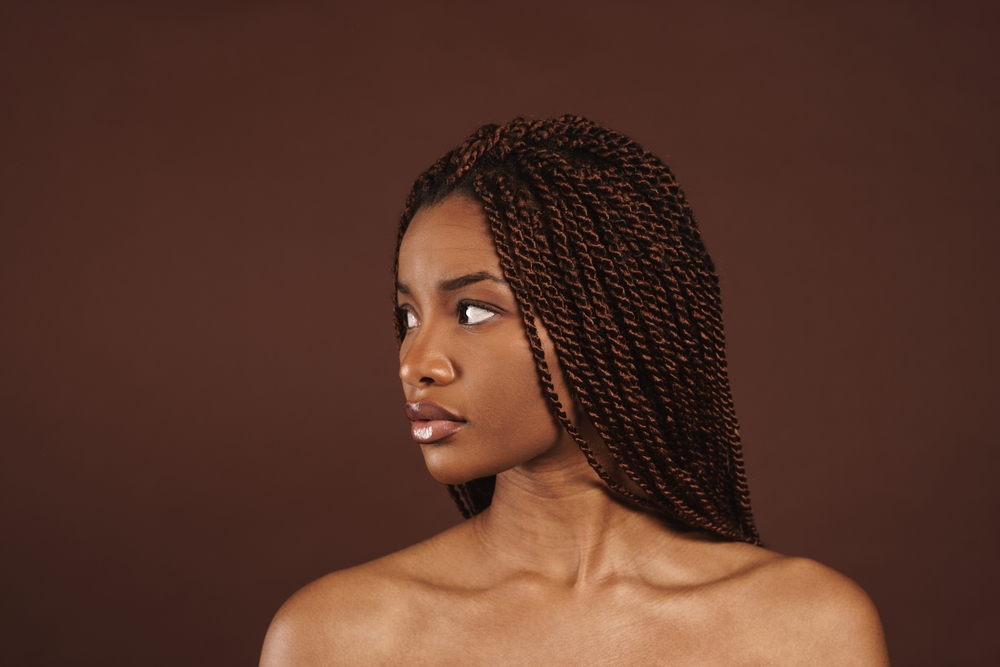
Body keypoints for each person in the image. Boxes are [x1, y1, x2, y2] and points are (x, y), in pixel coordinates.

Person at [259, 116, 889, 666]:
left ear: (608, 323)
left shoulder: (805, 628)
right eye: (408, 317)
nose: (415, 362)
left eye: (473, 312)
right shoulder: (335, 637)